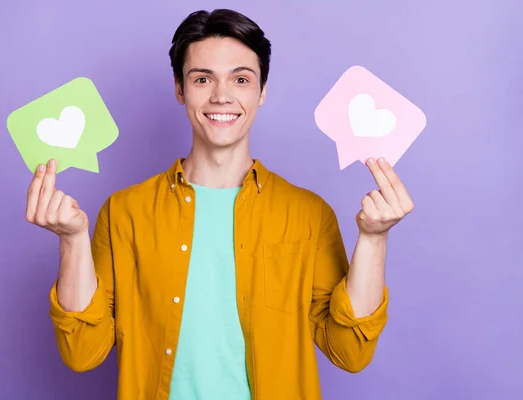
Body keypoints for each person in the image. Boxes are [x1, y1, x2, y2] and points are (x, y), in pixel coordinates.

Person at [25, 8, 414, 400]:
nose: (222, 95)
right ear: (180, 89)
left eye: (241, 79)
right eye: (202, 78)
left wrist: (374, 237)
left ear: (262, 91)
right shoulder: (125, 212)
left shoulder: (309, 215)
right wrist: (72, 239)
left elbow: (350, 351)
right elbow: (82, 352)